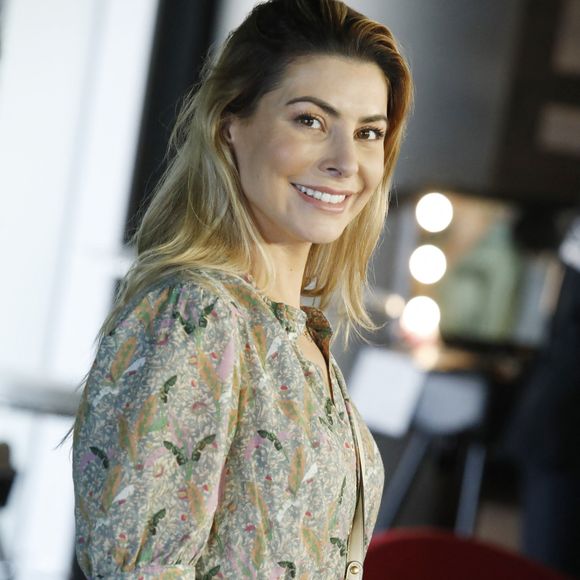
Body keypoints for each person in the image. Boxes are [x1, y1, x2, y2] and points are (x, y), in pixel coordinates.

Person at [71, 0, 412, 577]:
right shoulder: (194, 314)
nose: (345, 161)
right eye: (310, 121)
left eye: (368, 132)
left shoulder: (302, 332)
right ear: (230, 124)